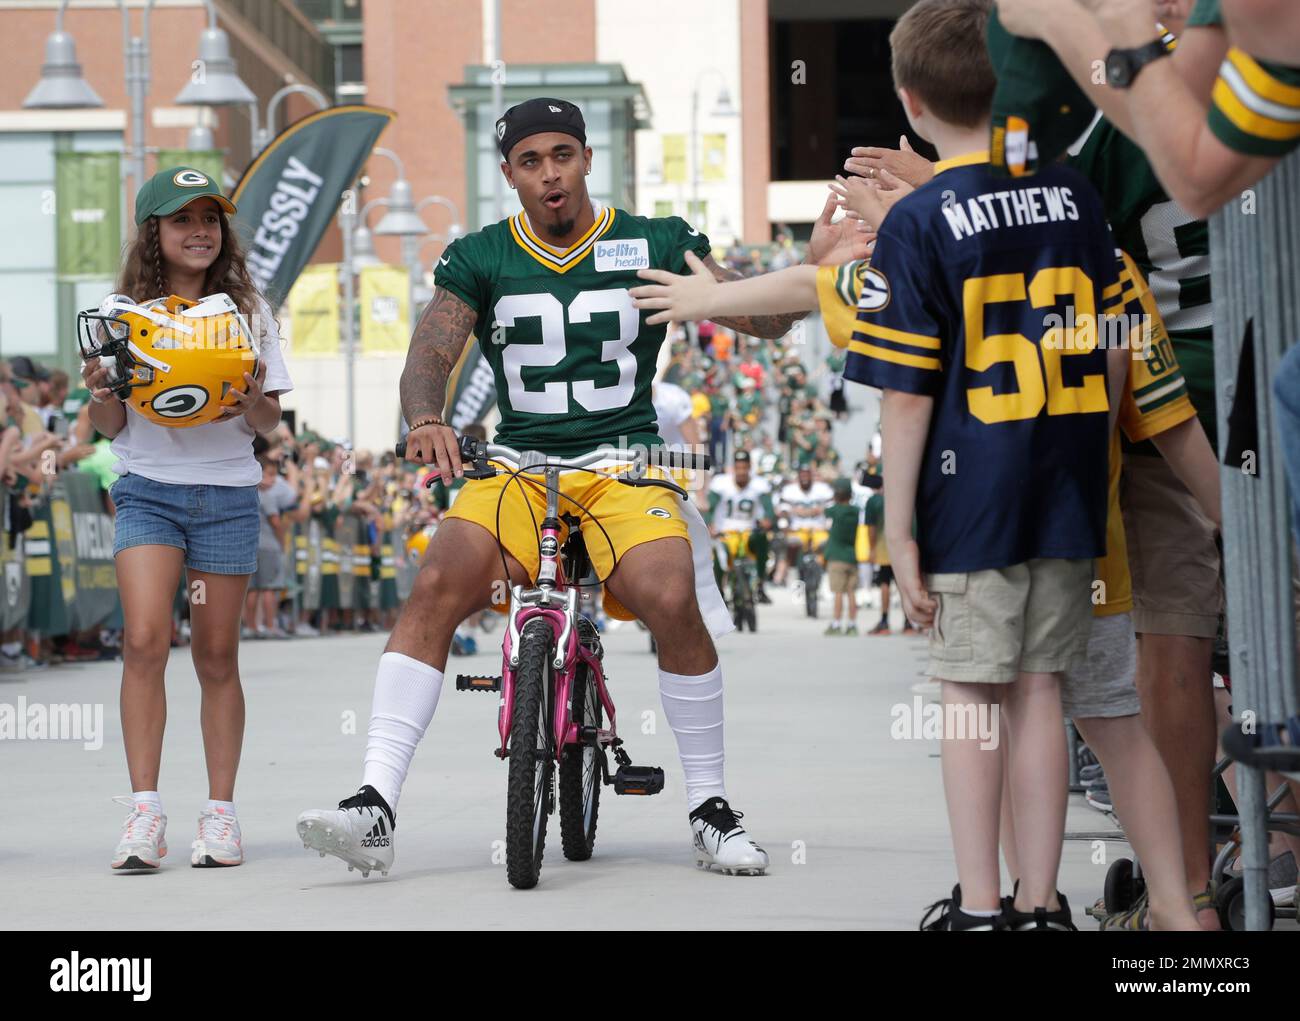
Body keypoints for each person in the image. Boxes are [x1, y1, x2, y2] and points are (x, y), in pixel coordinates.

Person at [633, 0, 1130, 928]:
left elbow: (903, 394)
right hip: (1064, 483)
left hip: (971, 486)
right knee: (1041, 693)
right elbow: (1106, 347)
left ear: (909, 97)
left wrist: (898, 528)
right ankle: (1043, 901)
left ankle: (981, 903)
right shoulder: (1074, 193)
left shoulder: (923, 218)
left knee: (971, 695)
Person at [296, 98, 867, 880]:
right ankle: (374, 804)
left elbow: (759, 322)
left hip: (627, 464)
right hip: (518, 466)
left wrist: (818, 266)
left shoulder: (655, 240)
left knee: (670, 597)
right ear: (508, 174)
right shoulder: (481, 255)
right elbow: (432, 348)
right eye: (530, 161)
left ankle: (709, 807)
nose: (549, 173)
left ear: (588, 158)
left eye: (562, 154)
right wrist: (425, 414)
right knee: (433, 583)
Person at [81, 167, 293, 871]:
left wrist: (251, 397)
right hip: (149, 491)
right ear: (154, 233)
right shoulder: (118, 314)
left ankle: (221, 814)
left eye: (210, 219)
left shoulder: (249, 311)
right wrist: (102, 390)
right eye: (182, 220)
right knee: (143, 639)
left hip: (226, 494)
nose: (200, 232)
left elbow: (268, 423)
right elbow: (110, 426)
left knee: (215, 656)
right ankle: (145, 812)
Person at [708, 450, 775, 605]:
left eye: (745, 468)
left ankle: (760, 583)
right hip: (726, 532)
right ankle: (720, 591)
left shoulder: (759, 485)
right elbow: (710, 506)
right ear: (733, 468)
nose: (741, 472)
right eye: (738, 468)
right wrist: (710, 523)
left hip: (749, 531)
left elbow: (768, 508)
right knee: (720, 555)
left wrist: (768, 520)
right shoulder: (721, 483)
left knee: (762, 539)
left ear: (750, 467)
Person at [245, 451, 296, 640]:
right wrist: (282, 541)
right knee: (269, 587)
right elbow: (275, 521)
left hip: (251, 544)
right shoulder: (266, 495)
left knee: (252, 589)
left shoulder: (247, 490)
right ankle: (270, 625)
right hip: (268, 545)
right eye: (269, 474)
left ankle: (251, 627)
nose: (272, 480)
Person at [822, 478, 861, 635]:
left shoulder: (834, 511)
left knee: (838, 592)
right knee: (851, 592)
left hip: (836, 556)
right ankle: (852, 625)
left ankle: (836, 624)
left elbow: (824, 512)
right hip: (851, 555)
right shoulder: (856, 511)